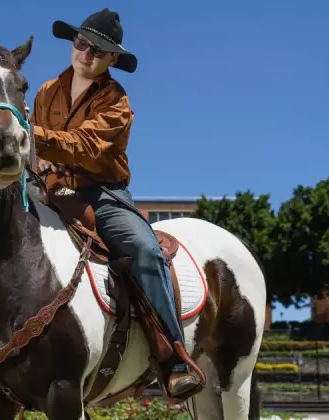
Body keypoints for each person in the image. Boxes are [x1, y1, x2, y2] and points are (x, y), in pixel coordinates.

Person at [29, 8, 201, 397]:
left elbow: (86, 147)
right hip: (50, 191)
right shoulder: (45, 92)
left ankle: (173, 357)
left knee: (144, 251)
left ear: (112, 60)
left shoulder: (116, 101)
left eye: (98, 51)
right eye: (81, 43)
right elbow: (35, 155)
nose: (86, 54)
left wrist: (27, 133)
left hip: (102, 195)